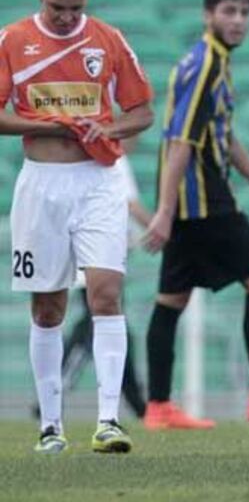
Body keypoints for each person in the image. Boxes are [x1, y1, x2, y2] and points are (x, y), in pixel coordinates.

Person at [0, 0, 154, 453]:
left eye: (75, 6)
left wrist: (104, 127)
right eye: (58, 6)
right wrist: (54, 125)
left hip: (98, 181)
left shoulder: (107, 40)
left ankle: (109, 421)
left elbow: (143, 111)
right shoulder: (13, 40)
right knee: (48, 307)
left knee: (105, 293)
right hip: (42, 183)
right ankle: (51, 426)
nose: (66, 16)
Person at [142, 0, 249, 429]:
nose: (238, 21)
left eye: (245, 13)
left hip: (194, 202)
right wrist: (165, 212)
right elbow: (180, 143)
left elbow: (224, 140)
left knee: (170, 299)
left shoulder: (212, 61)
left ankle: (158, 407)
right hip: (205, 201)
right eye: (229, 12)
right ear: (208, 15)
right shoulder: (206, 62)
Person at [32, 136, 151, 422]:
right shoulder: (116, 162)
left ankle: (136, 403)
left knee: (101, 329)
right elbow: (130, 205)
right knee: (95, 330)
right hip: (99, 260)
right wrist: (157, 228)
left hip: (99, 258)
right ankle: (56, 394)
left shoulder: (105, 159)